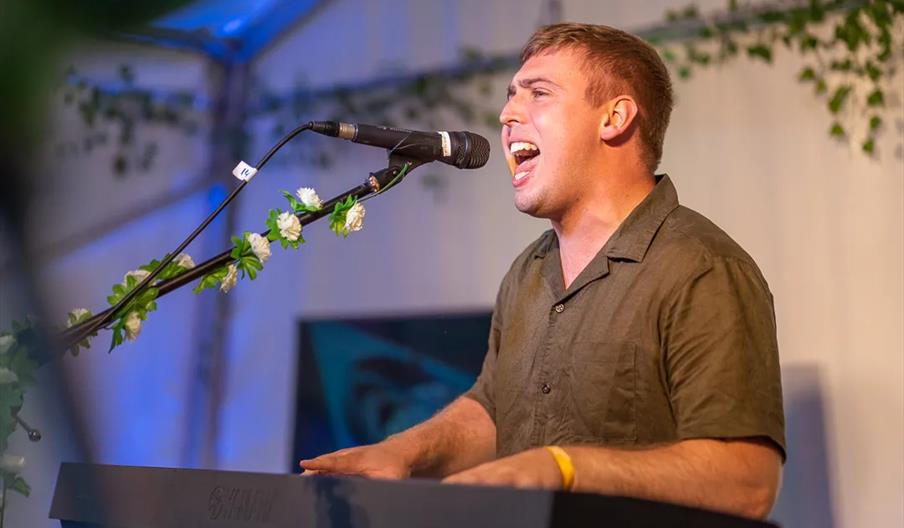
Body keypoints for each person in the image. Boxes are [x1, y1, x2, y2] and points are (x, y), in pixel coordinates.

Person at [300, 23, 785, 520]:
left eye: (538, 94)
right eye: (511, 97)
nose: (507, 115)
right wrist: (401, 453)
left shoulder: (702, 268)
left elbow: (746, 481)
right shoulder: (526, 273)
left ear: (614, 118)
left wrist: (563, 469)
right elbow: (492, 412)